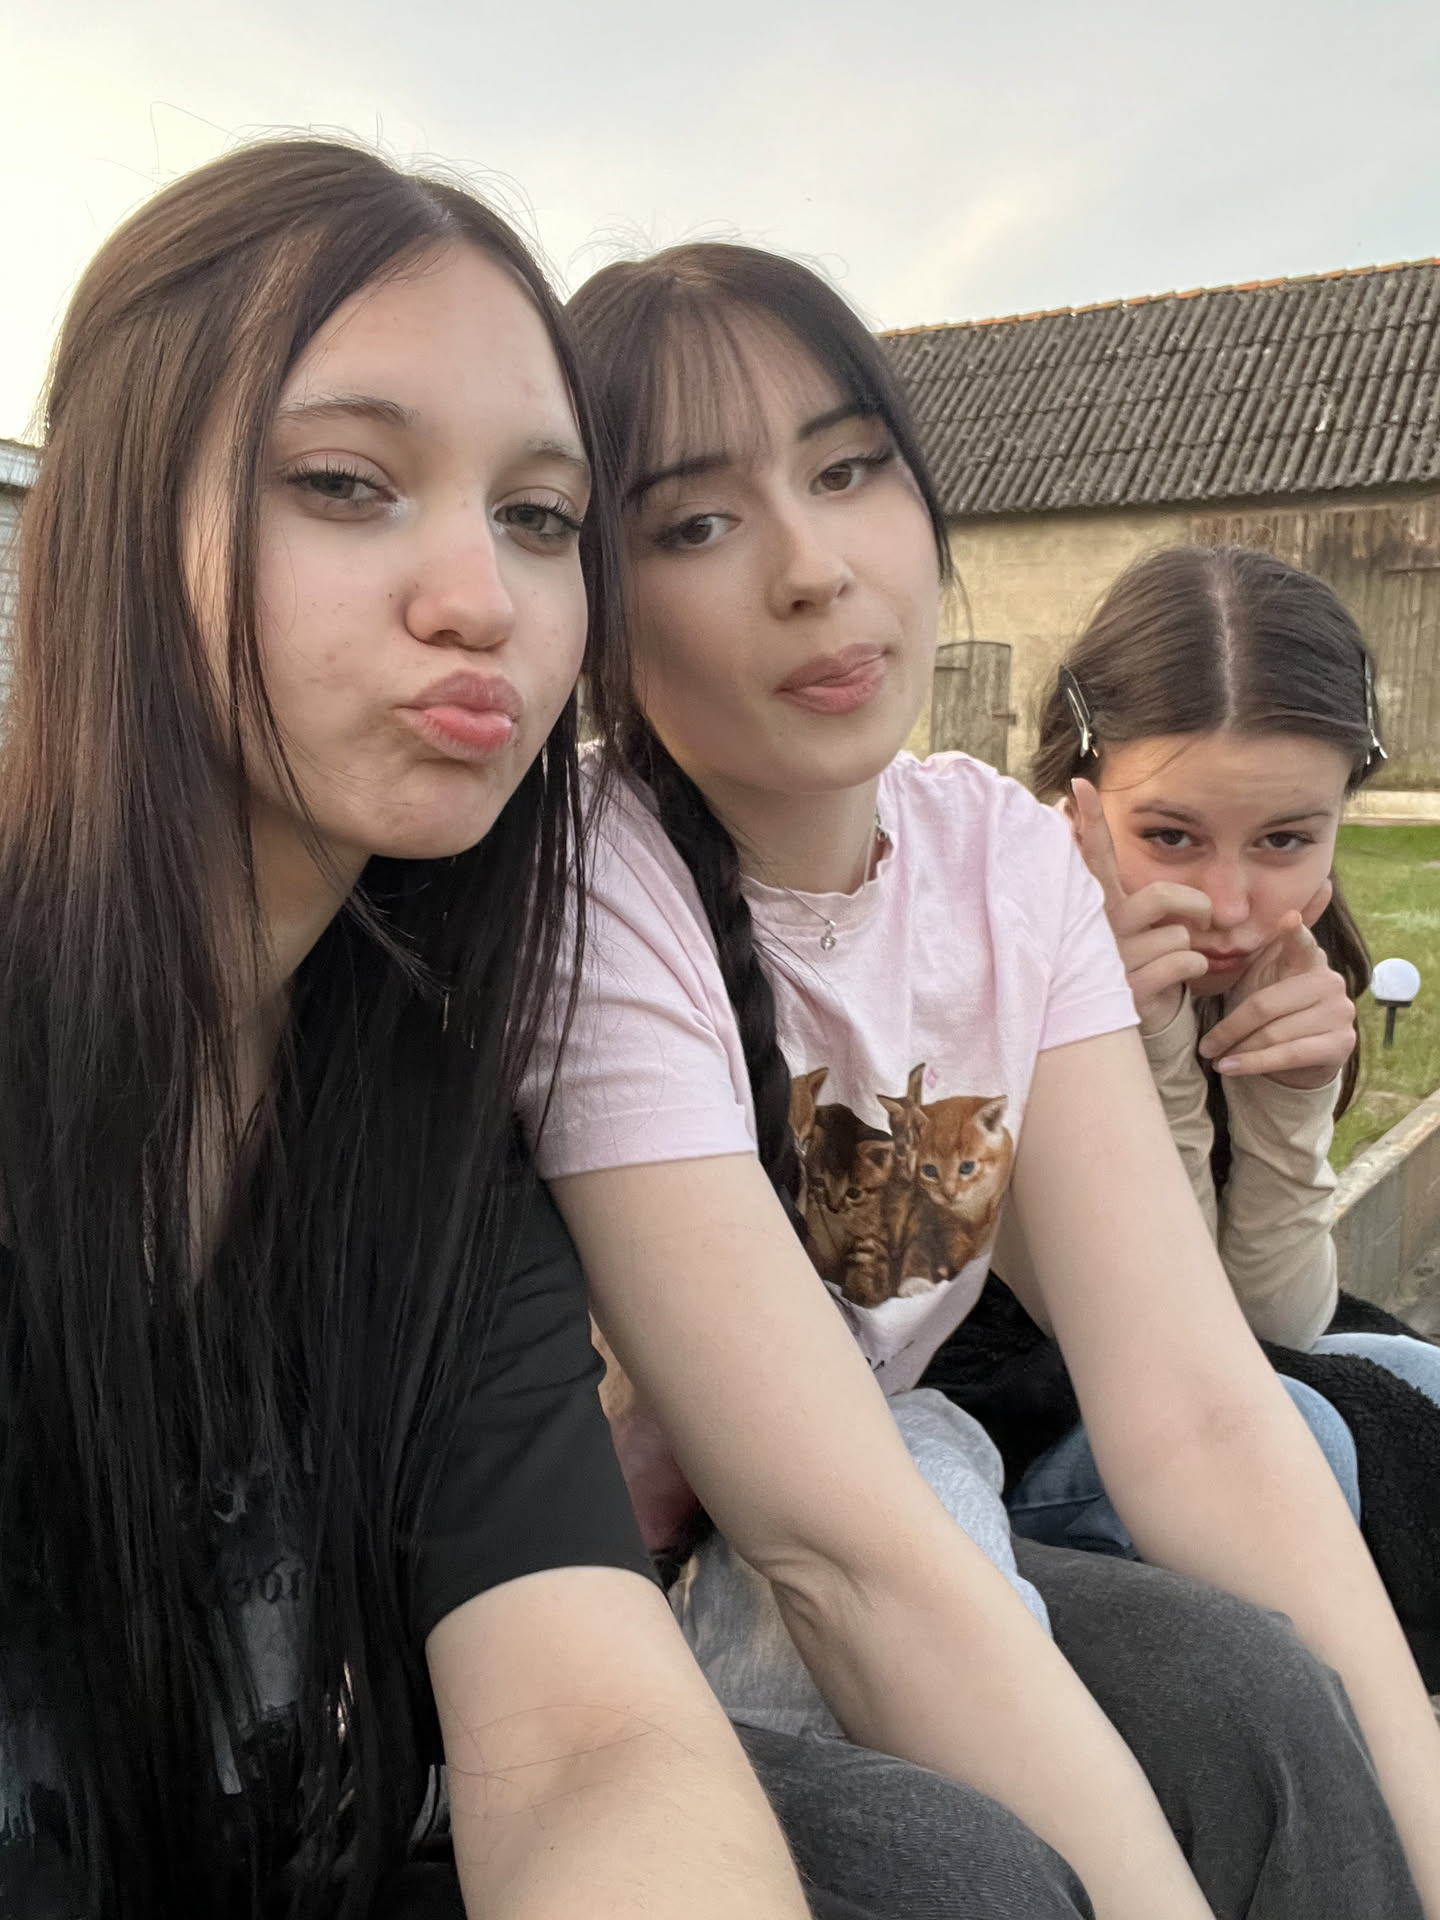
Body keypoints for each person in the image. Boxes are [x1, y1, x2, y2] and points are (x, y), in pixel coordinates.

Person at [518, 241, 1440, 1919]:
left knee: (1263, 1706)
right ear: (594, 601)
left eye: (848, 470)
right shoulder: (595, 893)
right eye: (697, 523)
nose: (816, 569)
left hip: (890, 1492)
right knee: (985, 1828)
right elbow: (838, 1555)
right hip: (616, 1589)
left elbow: (1199, 1403)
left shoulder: (1003, 863)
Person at [0, 143, 821, 1920]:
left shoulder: (425, 1127)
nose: (485, 599)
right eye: (345, 483)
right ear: (109, 521)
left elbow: (592, 1737)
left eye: (540, 517)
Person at [992, 546, 1440, 1564]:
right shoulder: (1002, 969)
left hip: (1187, 1385)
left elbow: (1278, 1324)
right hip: (1007, 1406)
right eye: (1170, 835)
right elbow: (1166, 1341)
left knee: (1418, 1380)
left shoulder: (1282, 969)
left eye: (1285, 840)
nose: (1229, 905)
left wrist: (1292, 1106)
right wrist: (1147, 1046)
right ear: (1074, 803)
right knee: (1305, 1438)